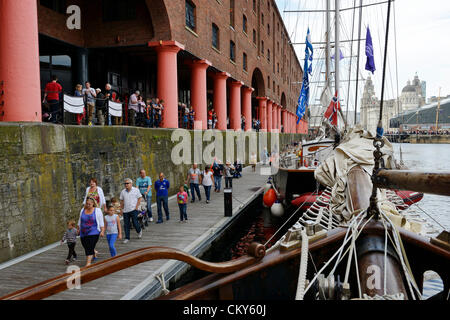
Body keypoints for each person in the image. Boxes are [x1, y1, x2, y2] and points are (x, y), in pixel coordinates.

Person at [77, 197, 105, 267]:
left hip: (94, 232)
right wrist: (78, 229)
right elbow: (80, 220)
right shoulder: (82, 210)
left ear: (93, 204)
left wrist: (102, 231)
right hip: (83, 232)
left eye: (89, 204)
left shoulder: (97, 210)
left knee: (89, 247)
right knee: (85, 246)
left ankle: (88, 263)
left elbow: (101, 222)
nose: (88, 205)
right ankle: (94, 251)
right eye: (87, 204)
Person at [120, 178, 143, 243]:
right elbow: (121, 201)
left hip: (133, 209)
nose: (126, 185)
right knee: (126, 224)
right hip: (125, 210)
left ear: (131, 183)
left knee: (135, 222)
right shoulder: (123, 192)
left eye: (127, 183)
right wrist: (121, 209)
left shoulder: (136, 190)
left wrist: (136, 206)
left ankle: (139, 230)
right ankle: (127, 238)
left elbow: (139, 198)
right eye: (125, 183)